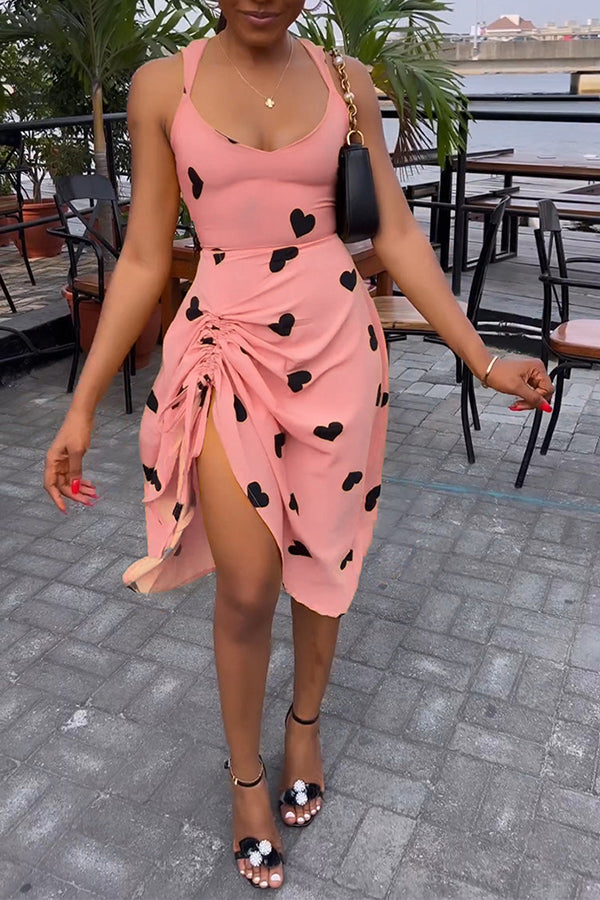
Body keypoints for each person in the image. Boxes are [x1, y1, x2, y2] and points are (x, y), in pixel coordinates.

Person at [44, 1, 554, 890]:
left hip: (337, 355)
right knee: (248, 583)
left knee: (324, 557)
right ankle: (247, 779)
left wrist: (481, 357)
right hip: (224, 353)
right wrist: (82, 405)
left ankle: (304, 725)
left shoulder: (346, 82)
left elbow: (395, 233)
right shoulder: (162, 87)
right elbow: (144, 257)